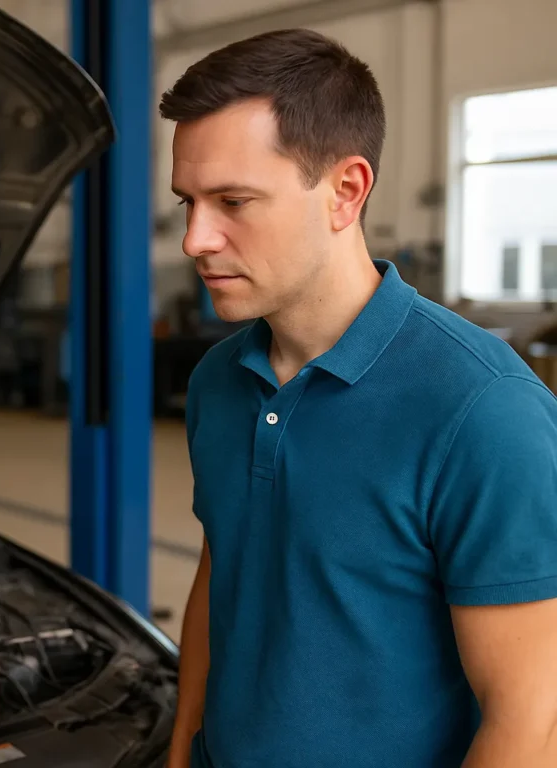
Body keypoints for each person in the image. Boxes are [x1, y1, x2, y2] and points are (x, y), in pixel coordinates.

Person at [159, 28, 557, 768]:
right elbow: (226, 572)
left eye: (233, 201)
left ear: (346, 191)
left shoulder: (482, 410)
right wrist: (183, 745)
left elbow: (530, 723)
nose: (195, 239)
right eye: (188, 201)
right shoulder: (220, 380)